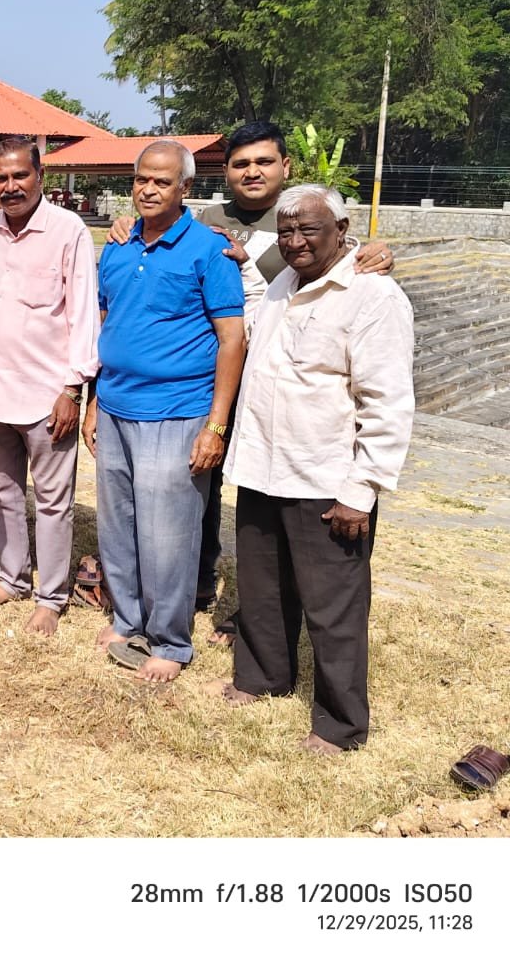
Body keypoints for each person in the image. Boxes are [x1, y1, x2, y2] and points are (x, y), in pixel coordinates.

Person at [106, 120, 395, 645]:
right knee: (208, 502)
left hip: (276, 393)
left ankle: (264, 619)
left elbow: (342, 254)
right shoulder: (211, 219)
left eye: (263, 162)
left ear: (286, 166)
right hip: (223, 386)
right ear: (224, 172)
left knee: (277, 511)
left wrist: (371, 251)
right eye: (241, 164)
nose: (252, 172)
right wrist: (128, 222)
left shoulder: (306, 216)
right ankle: (201, 590)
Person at [220, 185, 414, 753]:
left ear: (342, 230)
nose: (296, 241)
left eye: (309, 229)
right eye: (287, 231)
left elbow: (387, 403)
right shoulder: (284, 284)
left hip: (326, 478)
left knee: (333, 607)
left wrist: (362, 489)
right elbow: (250, 323)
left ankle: (340, 724)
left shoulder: (373, 297)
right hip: (263, 466)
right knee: (262, 588)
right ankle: (262, 677)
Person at [86, 140, 245, 682]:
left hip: (177, 411)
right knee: (119, 525)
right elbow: (108, 323)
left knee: (167, 534)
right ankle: (127, 619)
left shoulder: (209, 250)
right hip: (115, 405)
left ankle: (171, 641)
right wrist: (94, 402)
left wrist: (215, 426)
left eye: (162, 181)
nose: (149, 190)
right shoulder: (118, 245)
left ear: (185, 188)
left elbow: (232, 340)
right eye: (142, 179)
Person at [0, 138, 100, 635]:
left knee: (53, 501)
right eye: (0, 178)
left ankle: (50, 596)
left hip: (48, 396)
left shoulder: (68, 230)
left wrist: (73, 389)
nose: (10, 186)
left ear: (40, 177)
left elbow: (83, 314)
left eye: (20, 175)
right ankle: (11, 579)